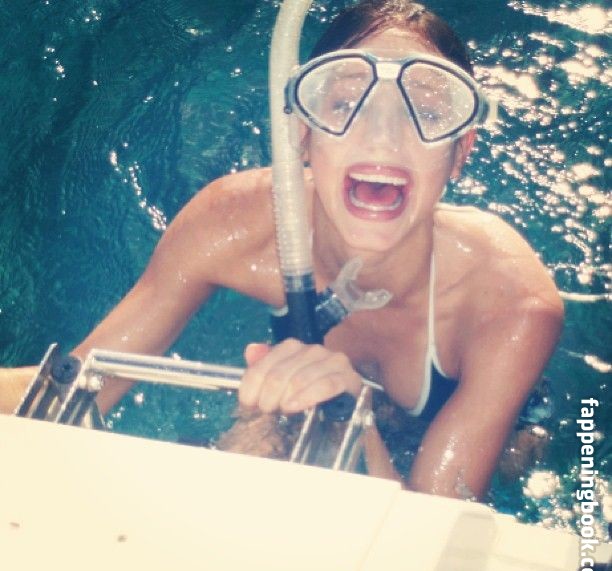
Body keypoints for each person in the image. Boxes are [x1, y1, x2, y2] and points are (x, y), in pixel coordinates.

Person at [0, 0, 563, 500]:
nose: (383, 135)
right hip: (321, 380)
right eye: (346, 103)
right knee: (253, 443)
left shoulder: (510, 304)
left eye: (429, 112)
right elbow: (72, 390)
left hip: (478, 419)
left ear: (461, 152)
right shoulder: (232, 224)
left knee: (519, 464)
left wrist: (353, 420)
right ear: (301, 133)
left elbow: (434, 529)